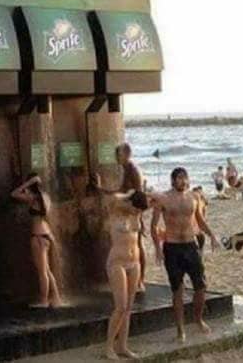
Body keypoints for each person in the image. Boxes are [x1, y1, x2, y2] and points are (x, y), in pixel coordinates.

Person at [149, 167, 221, 342]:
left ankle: (198, 319)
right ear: (173, 180)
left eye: (185, 178)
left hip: (190, 245)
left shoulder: (194, 197)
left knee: (201, 286)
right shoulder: (163, 199)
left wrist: (212, 235)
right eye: (179, 178)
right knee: (177, 290)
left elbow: (200, 220)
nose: (183, 181)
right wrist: (157, 248)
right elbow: (153, 226)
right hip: (172, 247)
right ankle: (180, 330)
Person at [102, 188, 152, 360]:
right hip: (117, 262)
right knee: (121, 307)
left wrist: (140, 198)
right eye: (136, 209)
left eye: (140, 211)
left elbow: (153, 199)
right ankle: (109, 346)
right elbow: (112, 197)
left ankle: (122, 346)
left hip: (134, 262)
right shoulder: (115, 211)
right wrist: (128, 194)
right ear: (129, 203)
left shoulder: (136, 213)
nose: (138, 212)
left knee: (128, 308)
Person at [94, 143, 147, 293]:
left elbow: (138, 195)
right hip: (128, 209)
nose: (116, 158)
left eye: (118, 154)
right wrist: (102, 189)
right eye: (116, 154)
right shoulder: (126, 169)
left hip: (133, 210)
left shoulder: (133, 170)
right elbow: (122, 190)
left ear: (126, 155)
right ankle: (133, 278)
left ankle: (140, 280)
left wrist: (138, 215)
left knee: (138, 244)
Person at [11, 173, 64, 308]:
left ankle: (44, 300)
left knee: (42, 271)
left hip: (38, 236)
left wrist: (27, 184)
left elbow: (14, 194)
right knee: (47, 269)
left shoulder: (33, 198)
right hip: (47, 234)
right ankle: (56, 298)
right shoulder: (45, 197)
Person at [192, 186, 209, 251]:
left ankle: (200, 248)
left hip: (199, 221)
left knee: (200, 235)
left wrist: (204, 220)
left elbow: (204, 212)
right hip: (194, 221)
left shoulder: (203, 202)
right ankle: (198, 248)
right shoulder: (193, 201)